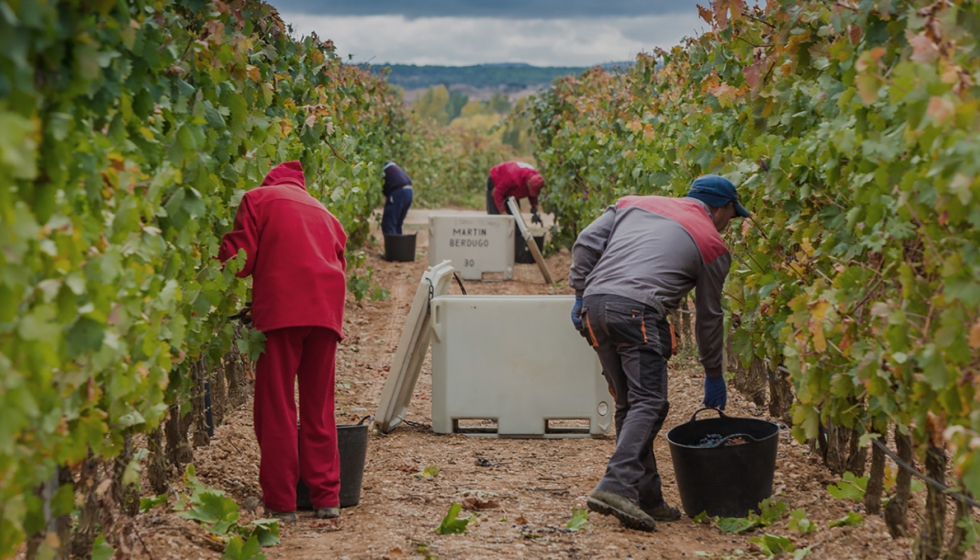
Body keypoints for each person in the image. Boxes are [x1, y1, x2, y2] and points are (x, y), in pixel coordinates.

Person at [568, 174, 749, 532]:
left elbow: (586, 242)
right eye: (732, 214)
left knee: (628, 403)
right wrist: (714, 372)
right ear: (719, 209)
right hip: (637, 312)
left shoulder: (633, 203)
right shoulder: (712, 244)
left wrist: (579, 291)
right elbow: (709, 317)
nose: (730, 224)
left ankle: (646, 495)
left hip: (595, 306)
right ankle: (615, 485)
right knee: (650, 401)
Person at [218, 161, 348, 522]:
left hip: (282, 314)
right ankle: (327, 499)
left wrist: (216, 253)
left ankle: (281, 502)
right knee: (318, 406)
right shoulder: (326, 214)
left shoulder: (256, 199)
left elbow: (239, 261)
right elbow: (339, 262)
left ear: (269, 181)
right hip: (325, 315)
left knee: (276, 407)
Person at [486, 161, 544, 225]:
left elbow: (533, 190)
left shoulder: (536, 178)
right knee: (497, 221)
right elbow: (497, 193)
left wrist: (534, 207)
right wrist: (503, 213)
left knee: (516, 221)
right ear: (528, 182)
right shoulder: (513, 176)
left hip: (514, 188)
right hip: (497, 181)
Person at [381, 161, 413, 236]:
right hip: (409, 191)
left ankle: (393, 247)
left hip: (398, 192)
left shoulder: (379, 168)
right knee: (397, 224)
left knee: (389, 224)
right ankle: (399, 247)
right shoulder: (390, 165)